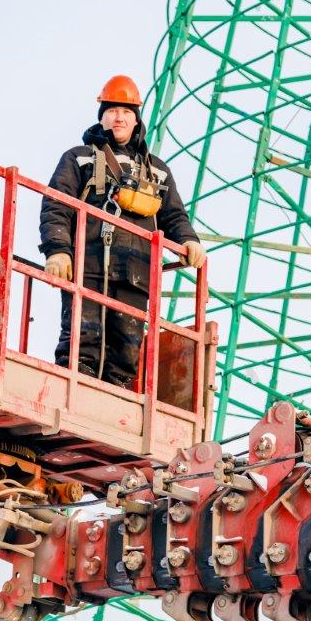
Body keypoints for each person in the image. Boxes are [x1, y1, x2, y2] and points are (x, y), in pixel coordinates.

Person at [38, 75, 206, 388]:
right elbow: (56, 205)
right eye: (112, 110)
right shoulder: (79, 158)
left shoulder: (156, 171)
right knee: (81, 341)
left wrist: (188, 240)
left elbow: (173, 215)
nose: (119, 117)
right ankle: (76, 387)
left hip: (135, 272)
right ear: (102, 117)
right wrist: (58, 250)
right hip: (88, 267)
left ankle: (117, 395)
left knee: (126, 350)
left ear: (136, 120)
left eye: (127, 111)